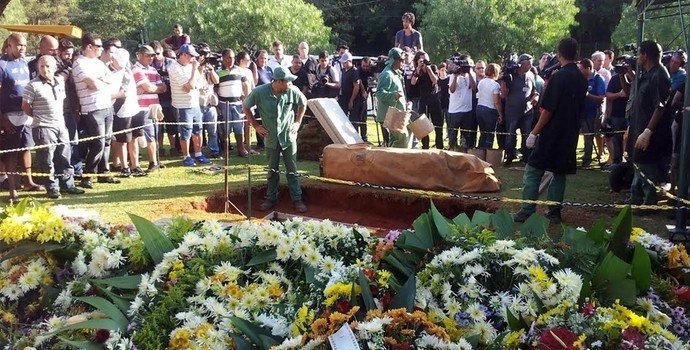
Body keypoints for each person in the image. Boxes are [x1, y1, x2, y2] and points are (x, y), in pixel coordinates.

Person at [513, 38, 588, 224]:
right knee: (559, 172)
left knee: (533, 170)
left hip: (552, 132)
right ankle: (554, 211)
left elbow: (548, 109)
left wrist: (534, 132)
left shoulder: (559, 76)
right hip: (570, 132)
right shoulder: (581, 78)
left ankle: (527, 209)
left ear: (560, 54)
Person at [243, 67, 308, 213]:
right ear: (278, 81)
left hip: (288, 137)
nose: (290, 84)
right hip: (271, 138)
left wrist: (297, 122)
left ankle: (297, 199)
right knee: (272, 170)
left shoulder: (293, 91)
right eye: (288, 81)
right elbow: (246, 106)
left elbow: (303, 104)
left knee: (292, 169)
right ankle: (271, 198)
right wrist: (256, 126)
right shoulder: (260, 92)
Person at [22, 55, 85, 199]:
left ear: (55, 67)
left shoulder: (60, 82)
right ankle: (52, 187)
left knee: (64, 156)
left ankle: (68, 185)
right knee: (47, 159)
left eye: (48, 66)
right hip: (43, 126)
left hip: (60, 124)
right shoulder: (32, 85)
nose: (45, 69)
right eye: (42, 66)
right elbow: (25, 106)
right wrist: (38, 117)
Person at [625, 41, 673, 215]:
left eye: (639, 54)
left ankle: (649, 202)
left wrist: (648, 131)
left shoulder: (659, 75)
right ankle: (636, 197)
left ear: (645, 55)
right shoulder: (647, 74)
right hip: (639, 125)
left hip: (652, 131)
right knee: (638, 163)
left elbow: (660, 106)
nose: (637, 57)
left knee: (648, 166)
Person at [72, 32, 121, 188]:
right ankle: (87, 175)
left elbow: (110, 80)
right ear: (89, 47)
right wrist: (101, 81)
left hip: (106, 105)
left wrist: (101, 80)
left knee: (106, 141)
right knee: (98, 143)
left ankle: (103, 173)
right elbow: (92, 84)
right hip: (92, 109)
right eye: (99, 46)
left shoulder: (98, 63)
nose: (102, 49)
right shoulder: (79, 63)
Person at [168, 44, 212, 166]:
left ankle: (198, 154)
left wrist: (193, 80)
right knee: (186, 132)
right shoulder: (174, 68)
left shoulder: (191, 67)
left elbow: (201, 83)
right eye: (192, 56)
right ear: (184, 55)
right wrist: (194, 71)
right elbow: (189, 86)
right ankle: (186, 156)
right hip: (182, 106)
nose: (194, 59)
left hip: (195, 104)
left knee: (198, 130)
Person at [500, 53, 538, 165]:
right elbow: (504, 94)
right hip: (512, 111)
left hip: (527, 111)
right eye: (529, 64)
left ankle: (526, 158)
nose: (531, 66)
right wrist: (504, 81)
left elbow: (534, 90)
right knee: (511, 135)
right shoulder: (512, 75)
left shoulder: (531, 75)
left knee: (526, 135)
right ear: (521, 64)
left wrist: (536, 96)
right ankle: (510, 157)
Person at [375, 48, 407, 148]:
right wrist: (394, 95)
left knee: (401, 141)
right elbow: (379, 94)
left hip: (397, 114)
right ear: (395, 60)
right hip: (391, 115)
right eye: (401, 60)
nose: (403, 62)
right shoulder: (386, 75)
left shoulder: (395, 74)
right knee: (401, 141)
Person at [410, 50, 443, 149]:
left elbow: (435, 81)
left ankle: (439, 146)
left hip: (434, 99)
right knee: (423, 125)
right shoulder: (417, 71)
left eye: (425, 59)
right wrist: (418, 69)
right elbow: (413, 83)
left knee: (438, 124)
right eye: (421, 60)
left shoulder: (432, 68)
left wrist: (428, 70)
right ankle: (425, 146)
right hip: (423, 100)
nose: (423, 61)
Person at [577, 58, 606, 168]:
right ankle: (586, 158)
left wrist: (587, 95)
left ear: (588, 68)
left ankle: (588, 159)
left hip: (593, 113)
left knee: (590, 136)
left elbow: (601, 99)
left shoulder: (599, 79)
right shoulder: (581, 79)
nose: (579, 71)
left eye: (581, 69)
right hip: (581, 111)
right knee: (585, 136)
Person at [338, 52, 365, 140]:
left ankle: (356, 139)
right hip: (344, 98)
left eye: (345, 62)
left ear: (350, 61)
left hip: (352, 99)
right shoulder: (343, 70)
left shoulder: (354, 71)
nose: (343, 64)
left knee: (354, 121)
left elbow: (356, 86)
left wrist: (351, 100)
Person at [475, 63, 503, 148]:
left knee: (483, 133)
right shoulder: (495, 85)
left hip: (479, 108)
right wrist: (500, 114)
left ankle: (480, 153)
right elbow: (496, 102)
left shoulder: (481, 82)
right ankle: (487, 155)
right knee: (489, 135)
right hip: (490, 110)